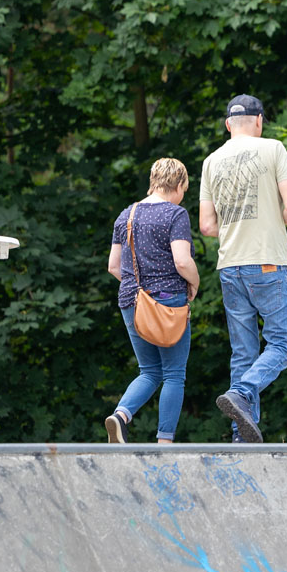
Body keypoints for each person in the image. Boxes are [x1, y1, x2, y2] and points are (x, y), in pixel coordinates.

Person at [199, 94, 287, 444]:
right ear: (259, 121)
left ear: (229, 125)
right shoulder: (273, 149)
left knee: (244, 351)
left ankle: (242, 436)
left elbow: (207, 226)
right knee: (283, 343)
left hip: (230, 264)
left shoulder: (211, 161)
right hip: (267, 260)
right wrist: (270, 225)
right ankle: (242, 392)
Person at [106, 157, 199, 444]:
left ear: (153, 182)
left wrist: (141, 292)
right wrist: (194, 283)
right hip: (168, 302)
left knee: (149, 371)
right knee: (173, 374)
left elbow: (113, 266)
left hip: (132, 303)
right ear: (180, 184)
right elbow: (182, 261)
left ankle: (120, 416)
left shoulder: (126, 214)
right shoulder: (175, 214)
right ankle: (165, 443)